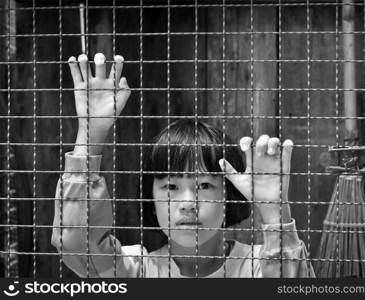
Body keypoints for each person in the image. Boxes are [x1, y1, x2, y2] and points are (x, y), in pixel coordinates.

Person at [51, 53, 315, 278]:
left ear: (228, 196)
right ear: (151, 199)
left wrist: (274, 213)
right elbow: (75, 242)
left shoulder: (262, 265)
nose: (188, 202)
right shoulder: (136, 271)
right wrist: (90, 133)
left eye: (204, 185)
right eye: (171, 186)